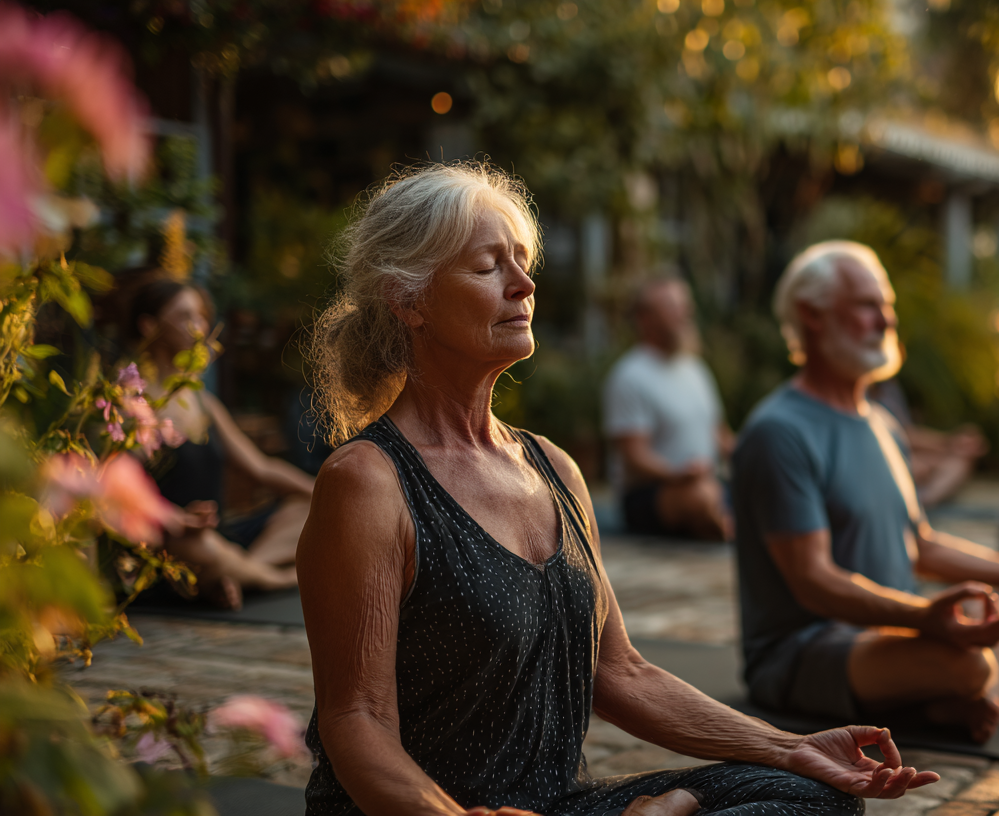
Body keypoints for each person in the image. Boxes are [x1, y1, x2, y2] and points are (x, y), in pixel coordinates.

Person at [297, 164, 939, 816]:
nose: (524, 284)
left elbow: (619, 672)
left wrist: (788, 748)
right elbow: (357, 721)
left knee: (814, 795)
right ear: (408, 301)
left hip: (559, 805)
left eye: (522, 261)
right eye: (489, 268)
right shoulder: (368, 483)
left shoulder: (553, 468)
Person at [732, 241, 999, 746]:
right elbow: (814, 583)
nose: (885, 321)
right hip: (808, 653)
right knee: (966, 660)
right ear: (812, 315)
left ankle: (981, 692)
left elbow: (922, 545)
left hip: (897, 631)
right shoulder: (778, 431)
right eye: (866, 306)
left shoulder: (881, 423)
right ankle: (971, 684)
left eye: (887, 307)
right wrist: (926, 618)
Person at [129, 277, 311, 609]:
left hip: (222, 535)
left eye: (200, 316)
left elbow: (262, 468)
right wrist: (176, 518)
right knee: (203, 547)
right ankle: (276, 578)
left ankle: (238, 574)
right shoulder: (136, 405)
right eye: (185, 316)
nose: (198, 326)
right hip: (173, 541)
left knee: (310, 511)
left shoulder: (202, 401)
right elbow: (123, 487)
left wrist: (325, 494)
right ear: (148, 325)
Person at [603, 278, 733, 540]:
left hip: (707, 482)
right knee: (701, 497)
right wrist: (677, 475)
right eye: (672, 306)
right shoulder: (630, 375)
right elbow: (634, 456)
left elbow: (719, 435)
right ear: (645, 319)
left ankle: (724, 524)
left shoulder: (696, 369)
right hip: (653, 492)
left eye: (685, 305)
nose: (685, 313)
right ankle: (734, 531)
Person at [867, 377, 987, 508]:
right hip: (878, 459)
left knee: (959, 463)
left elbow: (907, 432)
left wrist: (954, 444)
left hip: (903, 452)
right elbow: (904, 436)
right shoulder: (863, 389)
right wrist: (951, 443)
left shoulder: (889, 387)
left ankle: (919, 506)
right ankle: (912, 507)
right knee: (917, 467)